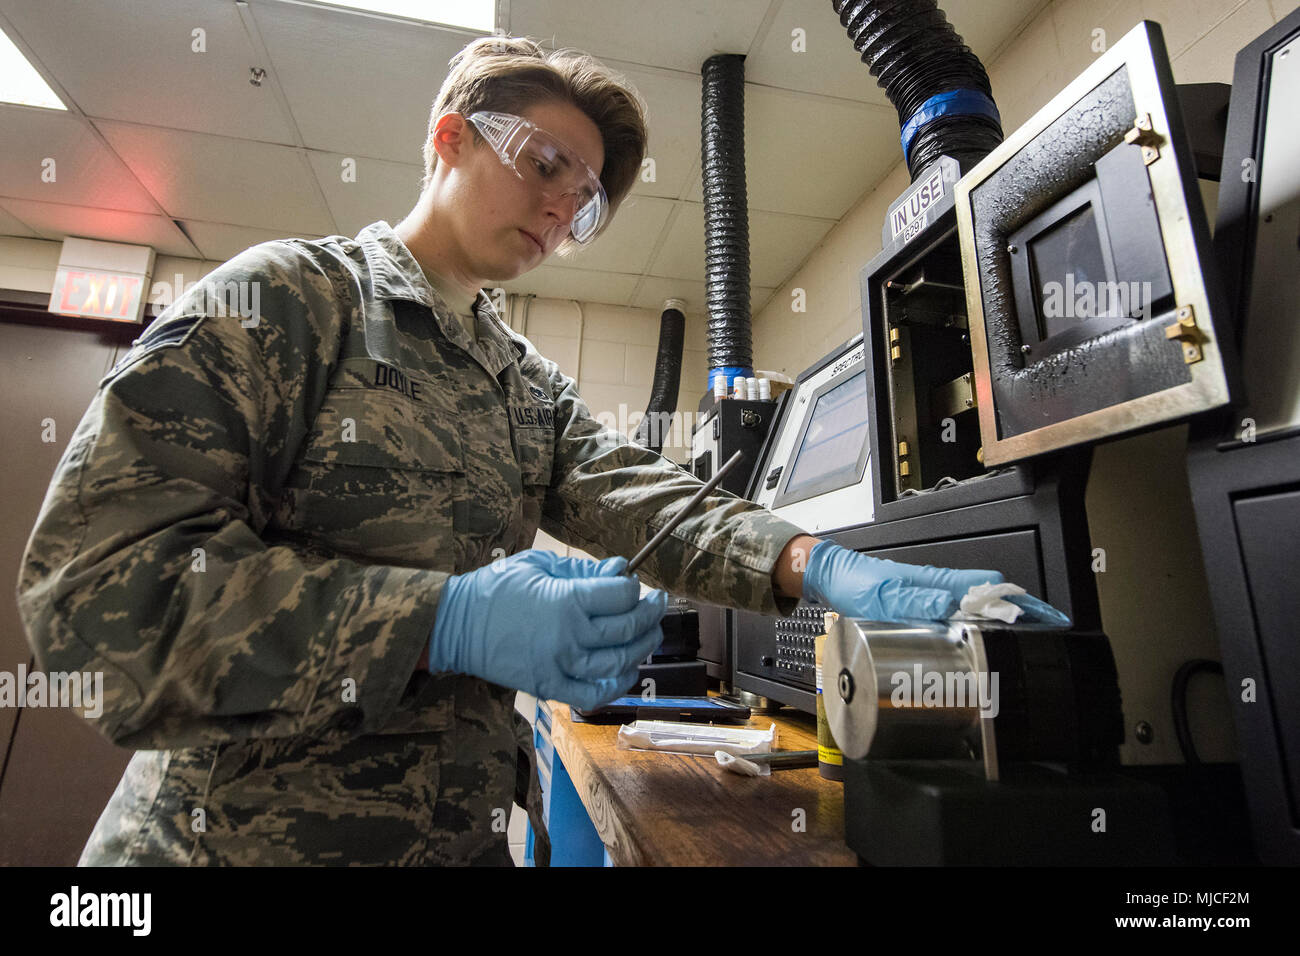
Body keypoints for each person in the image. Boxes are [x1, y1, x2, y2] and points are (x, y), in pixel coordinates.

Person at [16, 35, 1061, 866]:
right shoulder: (291, 299)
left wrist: (819, 565)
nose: (565, 206)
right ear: (449, 139)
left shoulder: (519, 379)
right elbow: (96, 598)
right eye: (545, 164)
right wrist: (439, 620)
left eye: (588, 197)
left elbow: (653, 501)